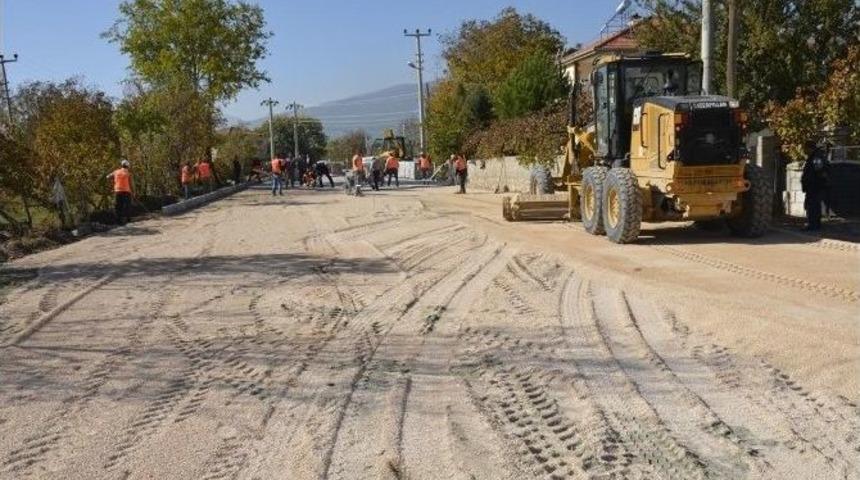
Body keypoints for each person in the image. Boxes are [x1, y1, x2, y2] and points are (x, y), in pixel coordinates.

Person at [801, 140, 830, 231]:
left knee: (812, 205)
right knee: (813, 205)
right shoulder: (815, 156)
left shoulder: (816, 157)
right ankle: (814, 224)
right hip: (814, 186)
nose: (804, 150)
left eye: (805, 148)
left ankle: (813, 225)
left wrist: (817, 182)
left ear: (809, 148)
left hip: (814, 186)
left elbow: (819, 170)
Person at [106, 159, 133, 225]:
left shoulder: (116, 171)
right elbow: (130, 183)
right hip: (126, 191)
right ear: (127, 166)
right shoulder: (128, 173)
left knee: (118, 206)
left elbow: (107, 177)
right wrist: (132, 191)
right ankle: (127, 219)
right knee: (127, 206)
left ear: (121, 165)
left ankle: (118, 221)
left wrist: (113, 182)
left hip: (117, 191)